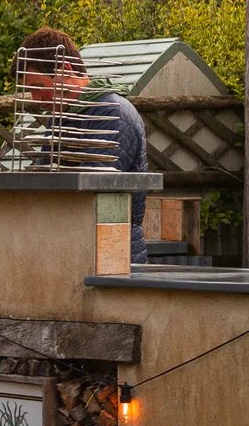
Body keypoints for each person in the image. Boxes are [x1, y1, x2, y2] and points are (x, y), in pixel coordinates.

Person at [14, 28, 149, 261]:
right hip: (76, 249)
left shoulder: (112, 114)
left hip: (111, 256)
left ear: (65, 70)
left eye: (38, 87)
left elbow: (89, 194)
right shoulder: (63, 116)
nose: (35, 100)